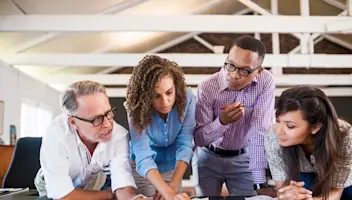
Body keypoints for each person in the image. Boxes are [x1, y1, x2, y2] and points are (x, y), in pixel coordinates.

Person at [192, 36, 275, 196]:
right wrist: (222, 122)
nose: (234, 75)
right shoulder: (208, 86)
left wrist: (260, 180)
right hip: (207, 158)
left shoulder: (266, 82)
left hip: (244, 158)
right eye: (230, 65)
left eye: (244, 70)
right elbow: (199, 138)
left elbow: (259, 130)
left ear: (259, 71)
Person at [34, 81, 143, 200]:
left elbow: (122, 182)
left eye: (108, 113)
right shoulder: (56, 134)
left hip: (92, 182)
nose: (108, 125)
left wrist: (135, 198)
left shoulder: (119, 135)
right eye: (96, 119)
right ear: (73, 122)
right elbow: (63, 195)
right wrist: (110, 194)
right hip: (52, 185)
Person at [125, 55, 195, 200]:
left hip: (172, 166)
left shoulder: (187, 98)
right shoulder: (135, 108)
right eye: (156, 96)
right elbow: (142, 153)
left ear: (176, 87)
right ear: (145, 96)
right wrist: (167, 193)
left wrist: (172, 189)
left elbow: (185, 144)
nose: (165, 102)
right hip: (143, 170)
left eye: (169, 92)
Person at [265, 85, 352, 200]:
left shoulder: (344, 135)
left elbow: (336, 193)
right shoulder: (272, 135)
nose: (279, 131)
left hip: (344, 183)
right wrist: (285, 196)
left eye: (290, 126)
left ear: (315, 127)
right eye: (278, 121)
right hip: (303, 177)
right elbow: (282, 189)